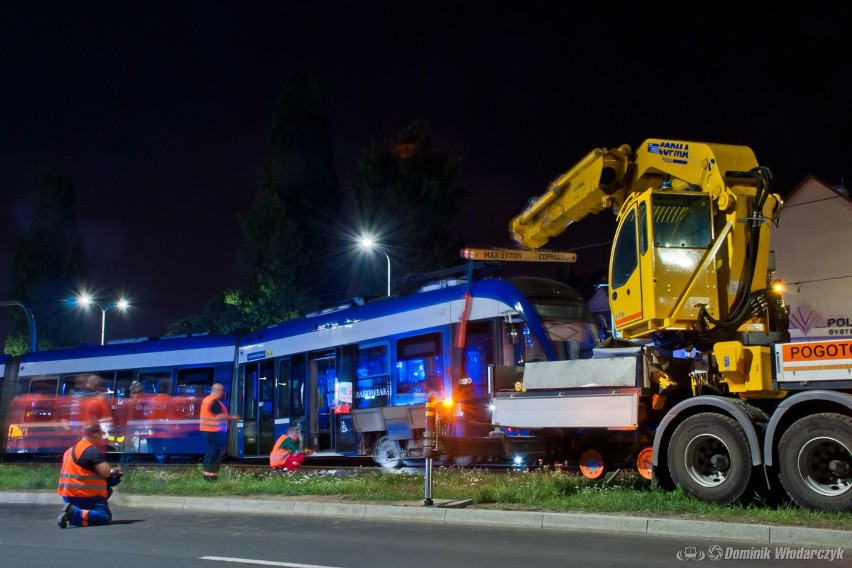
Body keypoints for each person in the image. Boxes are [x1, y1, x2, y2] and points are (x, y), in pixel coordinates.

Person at [56, 423, 123, 528]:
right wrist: (115, 473)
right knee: (104, 517)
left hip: (68, 495)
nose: (102, 438)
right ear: (95, 435)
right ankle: (74, 513)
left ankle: (73, 513)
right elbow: (106, 472)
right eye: (101, 435)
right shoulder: (90, 451)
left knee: (106, 491)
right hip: (84, 494)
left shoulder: (70, 451)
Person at [199, 383, 238, 480]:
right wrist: (233, 417)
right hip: (214, 431)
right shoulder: (213, 401)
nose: (223, 393)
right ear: (218, 390)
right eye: (222, 391)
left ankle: (206, 476)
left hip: (207, 431)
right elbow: (219, 416)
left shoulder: (206, 400)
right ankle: (211, 478)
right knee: (215, 454)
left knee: (209, 453)